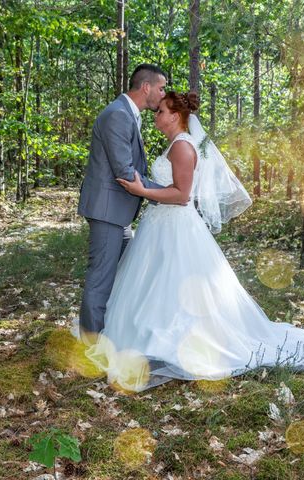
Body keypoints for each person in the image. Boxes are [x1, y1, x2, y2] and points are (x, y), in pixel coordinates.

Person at [84, 91, 304, 392]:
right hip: (160, 225)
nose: (155, 115)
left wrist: (143, 191)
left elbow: (182, 196)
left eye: (160, 112)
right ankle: (146, 334)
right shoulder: (176, 145)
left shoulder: (184, 148)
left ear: (174, 115)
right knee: (157, 283)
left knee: (173, 281)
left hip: (174, 225)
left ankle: (172, 341)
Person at [78, 64, 167, 340]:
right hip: (108, 212)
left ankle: (116, 332)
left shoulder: (127, 113)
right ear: (146, 87)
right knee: (101, 278)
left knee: (129, 272)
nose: (163, 94)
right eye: (161, 88)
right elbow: (125, 172)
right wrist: (169, 194)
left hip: (118, 213)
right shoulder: (118, 115)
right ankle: (90, 345)